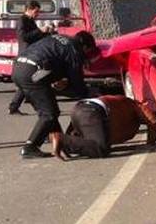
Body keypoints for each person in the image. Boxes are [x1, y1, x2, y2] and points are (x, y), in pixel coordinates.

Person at [12, 31, 97, 159]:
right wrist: (88, 95)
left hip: (18, 67)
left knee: (49, 110)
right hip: (32, 72)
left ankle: (60, 142)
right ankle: (30, 147)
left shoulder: (60, 38)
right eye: (88, 51)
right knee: (49, 114)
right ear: (84, 46)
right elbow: (77, 82)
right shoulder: (74, 49)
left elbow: (51, 59)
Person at [50, 95, 156, 160]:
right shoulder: (136, 105)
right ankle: (61, 139)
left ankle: (64, 143)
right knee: (101, 149)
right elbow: (152, 121)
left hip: (80, 108)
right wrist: (151, 142)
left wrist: (69, 138)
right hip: (92, 111)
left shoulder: (120, 102)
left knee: (93, 143)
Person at [8, 0, 50, 115]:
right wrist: (39, 31)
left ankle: (14, 106)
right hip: (26, 55)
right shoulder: (22, 20)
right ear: (29, 9)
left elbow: (36, 36)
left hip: (33, 54)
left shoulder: (30, 21)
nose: (37, 14)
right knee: (31, 81)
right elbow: (24, 37)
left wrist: (47, 32)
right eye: (36, 11)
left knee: (28, 82)